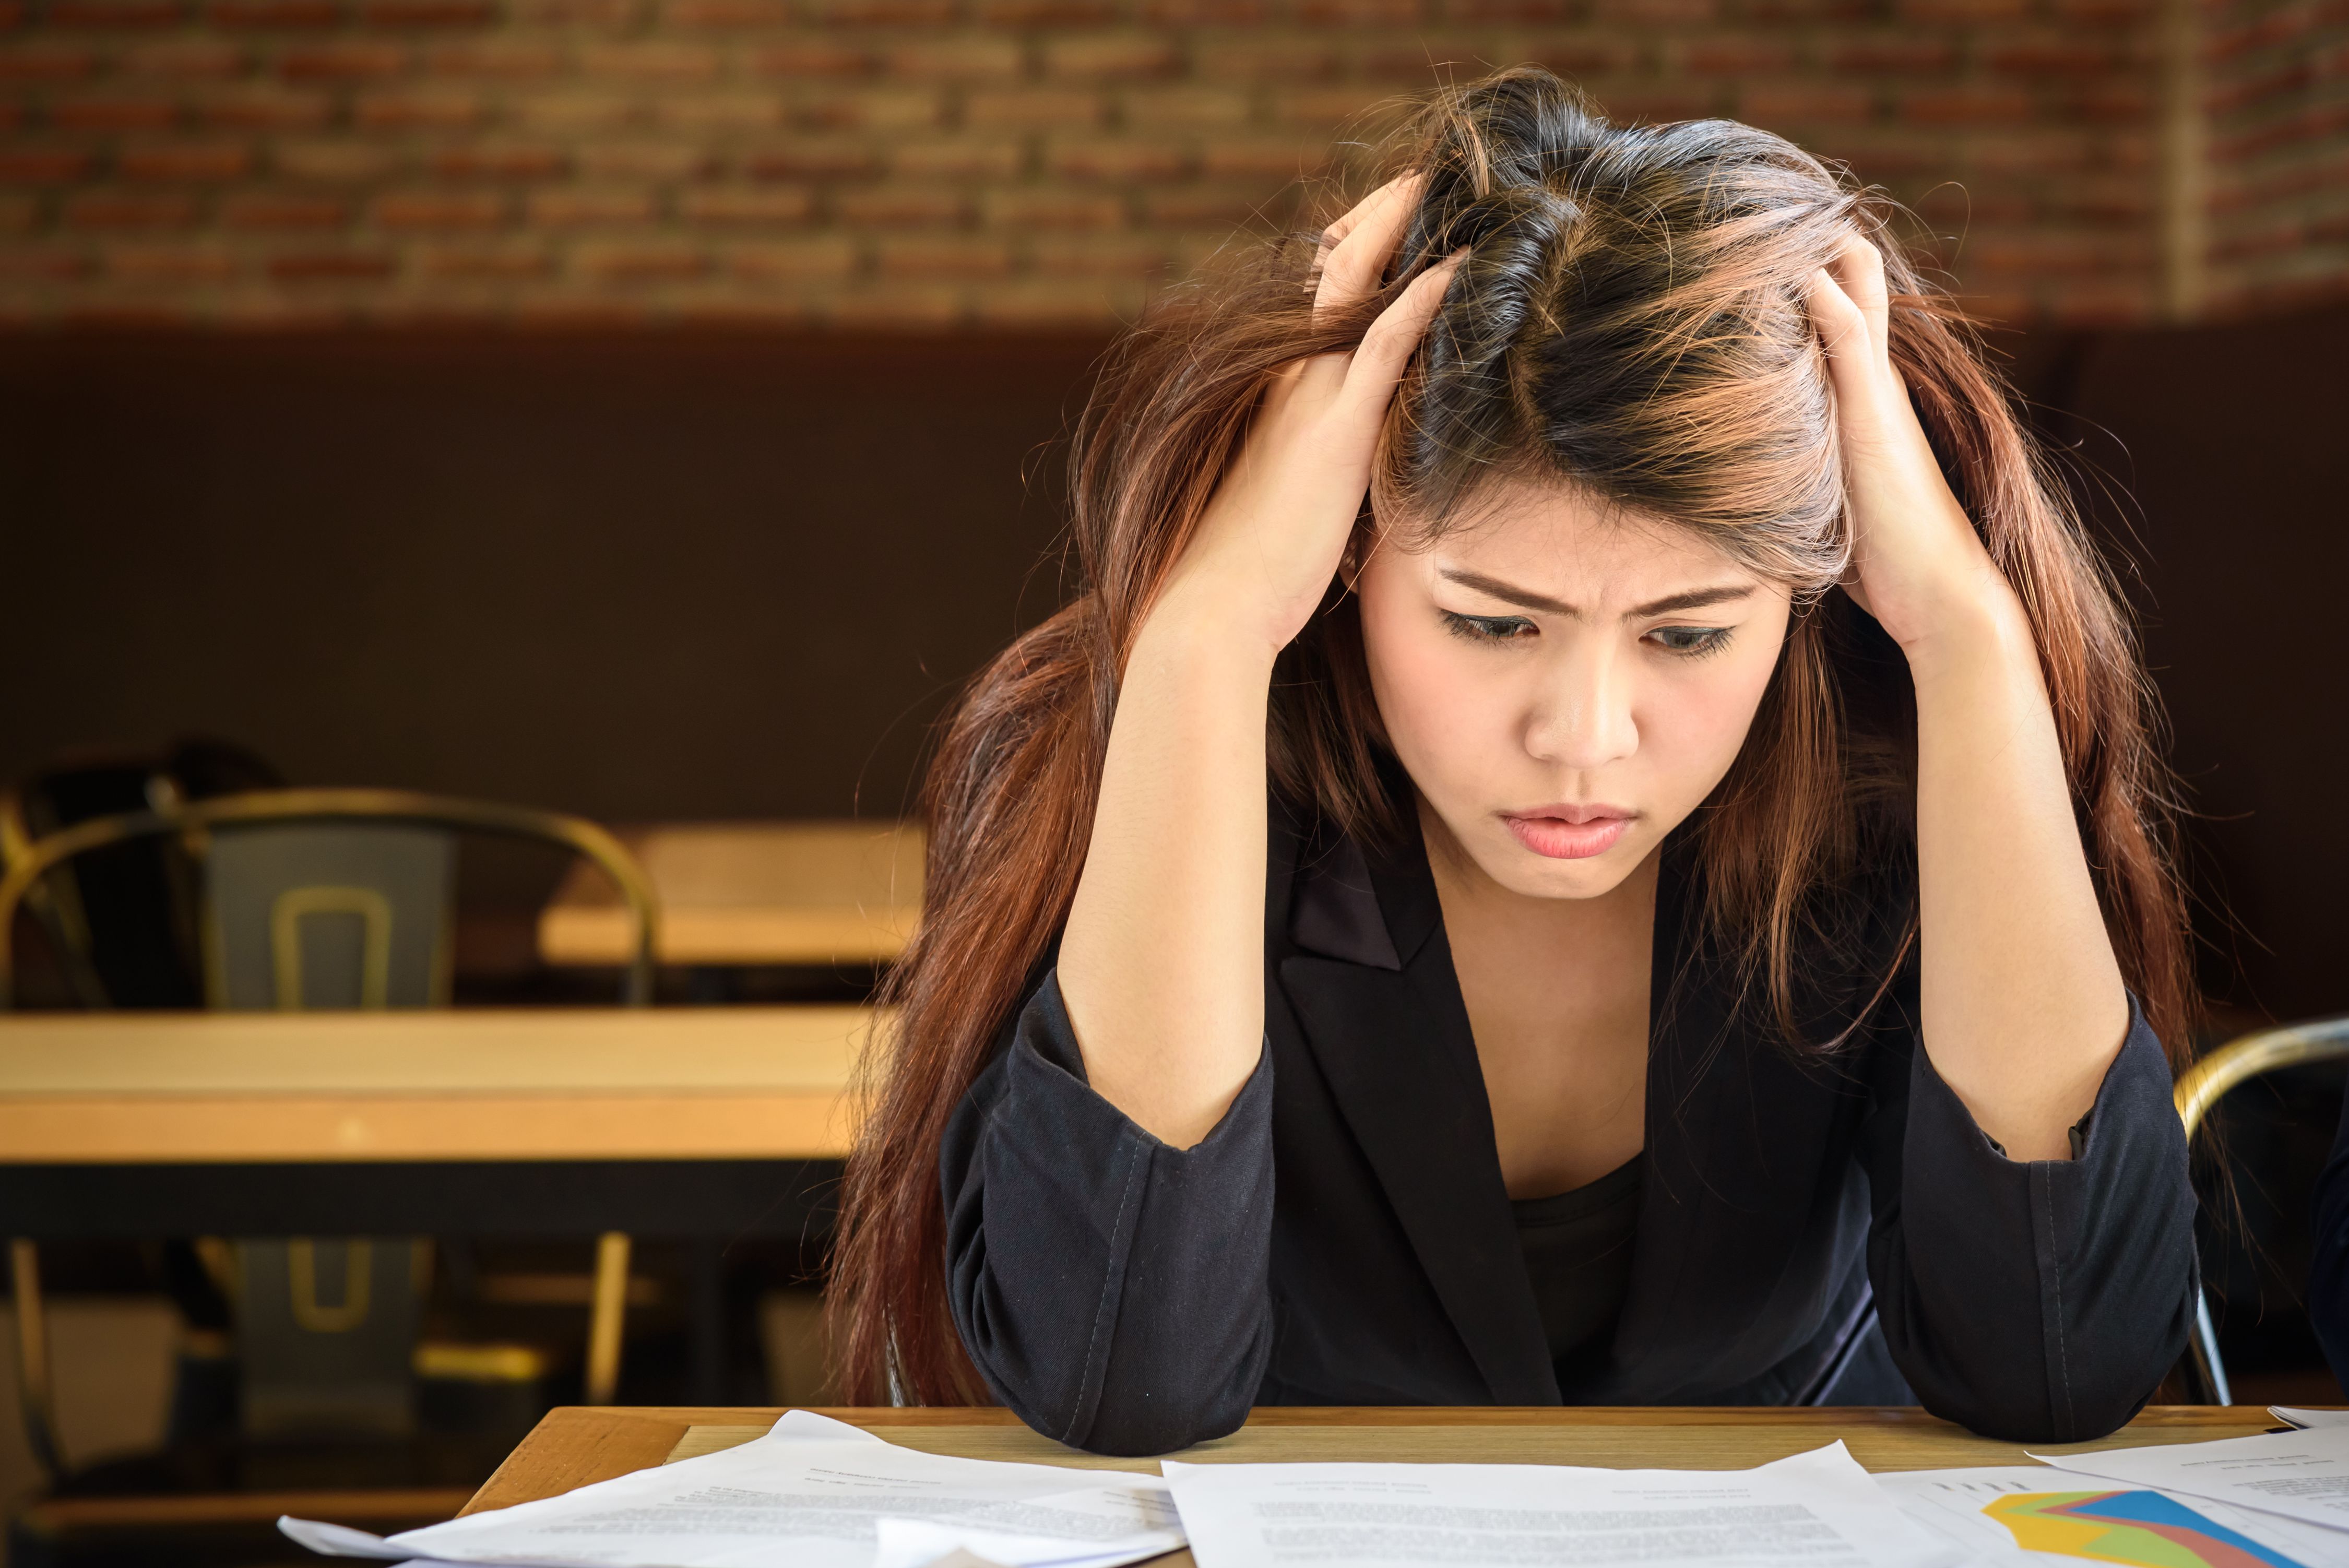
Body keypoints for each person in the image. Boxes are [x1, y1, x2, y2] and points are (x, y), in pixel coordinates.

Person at [833, 66, 2201, 1455]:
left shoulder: (1885, 784)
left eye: (1686, 632)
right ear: (1347, 553)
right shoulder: (1176, 751)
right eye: (1488, 621)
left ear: (1797, 599)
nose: (1583, 737)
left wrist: (1968, 633)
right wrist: (1203, 630)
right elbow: (1111, 1381)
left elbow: (2056, 1366)